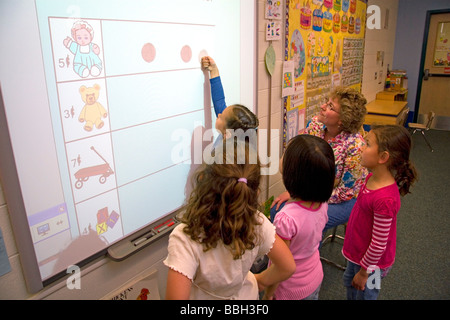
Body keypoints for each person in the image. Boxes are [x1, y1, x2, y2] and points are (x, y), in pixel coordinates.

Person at [164, 140, 295, 300]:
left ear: (203, 180)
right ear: (254, 191)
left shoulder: (186, 236)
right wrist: (260, 281)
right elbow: (288, 266)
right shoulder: (257, 221)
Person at [271, 86, 368, 232]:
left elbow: (344, 192)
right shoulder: (315, 124)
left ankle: (308, 253)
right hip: (312, 190)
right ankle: (292, 251)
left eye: (330, 106)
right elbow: (301, 160)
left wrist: (301, 197)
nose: (322, 106)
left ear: (343, 119)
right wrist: (297, 193)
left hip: (344, 199)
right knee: (277, 210)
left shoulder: (355, 146)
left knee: (308, 222)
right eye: (326, 102)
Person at [342, 125, 417, 300]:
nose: (361, 147)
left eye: (367, 144)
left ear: (383, 157)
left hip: (372, 266)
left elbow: (378, 244)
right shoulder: (370, 177)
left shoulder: (386, 199)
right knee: (351, 289)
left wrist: (364, 272)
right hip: (358, 256)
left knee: (366, 295)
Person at [262, 135, 336, 300]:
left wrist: (268, 293)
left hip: (290, 289)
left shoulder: (286, 219)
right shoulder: (322, 204)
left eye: (285, 154)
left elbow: (279, 263)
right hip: (314, 277)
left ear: (293, 172)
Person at [201, 56, 258, 144]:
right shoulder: (236, 137)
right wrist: (214, 70)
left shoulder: (224, 155)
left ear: (227, 135)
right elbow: (219, 101)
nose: (219, 114)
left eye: (221, 117)